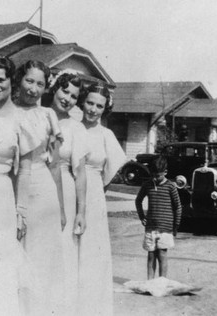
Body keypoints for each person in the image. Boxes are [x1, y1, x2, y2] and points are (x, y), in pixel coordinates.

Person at [0, 55, 41, 315]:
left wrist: (21, 212)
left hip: (2, 194)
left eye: (1, 80)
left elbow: (24, 170)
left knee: (1, 260)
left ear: (11, 81)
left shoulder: (20, 119)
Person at [14, 60, 66, 315]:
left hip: (43, 191)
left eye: (40, 84)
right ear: (19, 80)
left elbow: (55, 165)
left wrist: (62, 207)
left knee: (41, 256)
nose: (33, 89)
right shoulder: (8, 111)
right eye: (29, 81)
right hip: (12, 186)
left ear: (46, 88)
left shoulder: (48, 115)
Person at [78, 83, 126, 316]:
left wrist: (96, 188)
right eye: (90, 103)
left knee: (92, 249)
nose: (93, 110)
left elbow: (111, 169)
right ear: (82, 102)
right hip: (69, 189)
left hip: (94, 192)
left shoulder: (106, 135)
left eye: (99, 106)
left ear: (105, 108)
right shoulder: (71, 127)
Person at [45, 70, 87, 313]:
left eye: (74, 96)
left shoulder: (75, 128)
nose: (68, 99)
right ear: (54, 88)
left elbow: (80, 172)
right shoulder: (39, 116)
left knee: (63, 251)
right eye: (65, 91)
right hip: (38, 184)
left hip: (67, 190)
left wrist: (81, 211)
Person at [134, 156, 182, 279]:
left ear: (165, 172)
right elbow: (138, 200)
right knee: (151, 255)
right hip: (150, 227)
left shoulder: (171, 186)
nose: (155, 178)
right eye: (153, 175)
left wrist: (176, 226)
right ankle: (150, 281)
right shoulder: (147, 185)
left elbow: (178, 207)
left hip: (165, 228)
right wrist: (141, 216)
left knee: (162, 254)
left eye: (158, 176)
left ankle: (162, 282)